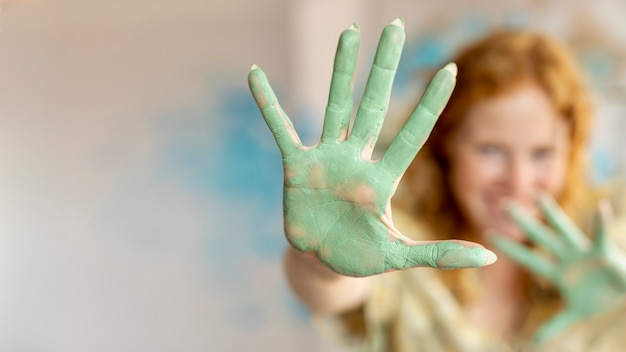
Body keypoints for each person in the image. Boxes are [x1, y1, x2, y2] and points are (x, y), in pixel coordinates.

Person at [248, 18, 626, 351]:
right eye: (491, 150)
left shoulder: (609, 243)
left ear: (572, 154)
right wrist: (320, 262)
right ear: (448, 146)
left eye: (542, 153)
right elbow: (332, 295)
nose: (519, 179)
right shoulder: (399, 243)